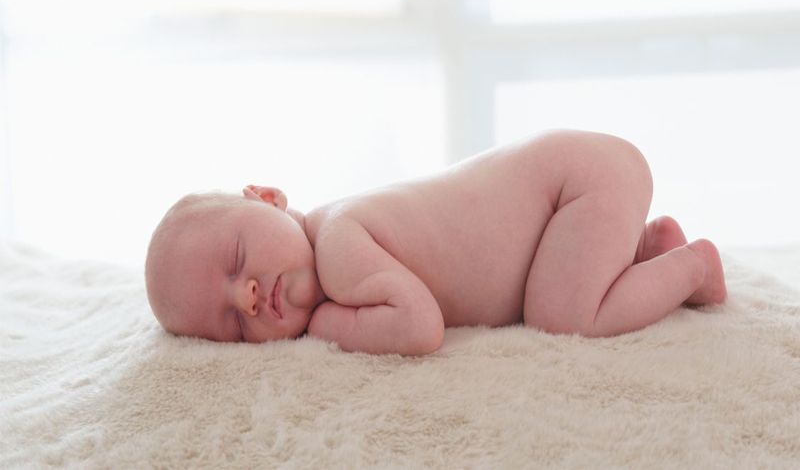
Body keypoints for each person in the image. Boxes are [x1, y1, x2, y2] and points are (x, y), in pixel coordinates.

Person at [145, 129, 727, 356]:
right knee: (562, 283)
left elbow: (420, 327)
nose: (246, 297)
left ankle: (694, 268)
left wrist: (328, 327)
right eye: (233, 324)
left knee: (563, 314)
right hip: (575, 183)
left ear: (269, 198)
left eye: (237, 261)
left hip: (572, 187)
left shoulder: (339, 244)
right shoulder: (336, 235)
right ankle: (647, 249)